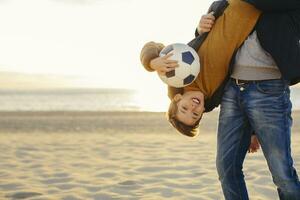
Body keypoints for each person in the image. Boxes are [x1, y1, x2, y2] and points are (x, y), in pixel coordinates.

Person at [141, 0, 300, 199]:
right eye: (195, 116)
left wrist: (152, 62)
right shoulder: (213, 98)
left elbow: (153, 46)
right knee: (226, 168)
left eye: (184, 109)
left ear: (177, 99)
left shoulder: (175, 75)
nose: (193, 109)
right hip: (238, 86)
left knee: (282, 172)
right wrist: (252, 130)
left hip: (236, 9)